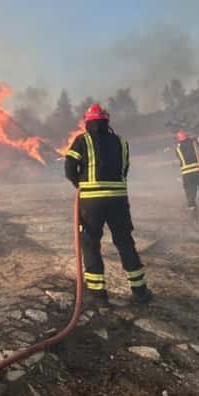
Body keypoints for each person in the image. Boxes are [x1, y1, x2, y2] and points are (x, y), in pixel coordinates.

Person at [64, 104, 152, 306]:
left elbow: (69, 167)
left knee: (90, 243)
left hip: (92, 202)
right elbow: (125, 168)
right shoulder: (121, 142)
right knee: (124, 242)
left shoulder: (82, 140)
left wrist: (79, 183)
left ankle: (98, 295)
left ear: (87, 121)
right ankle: (140, 291)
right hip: (118, 200)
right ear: (106, 120)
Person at [174, 130, 199, 216]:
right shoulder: (196, 144)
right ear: (187, 137)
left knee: (190, 190)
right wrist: (196, 142)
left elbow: (185, 156)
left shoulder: (178, 148)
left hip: (187, 173)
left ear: (179, 139)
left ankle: (192, 206)